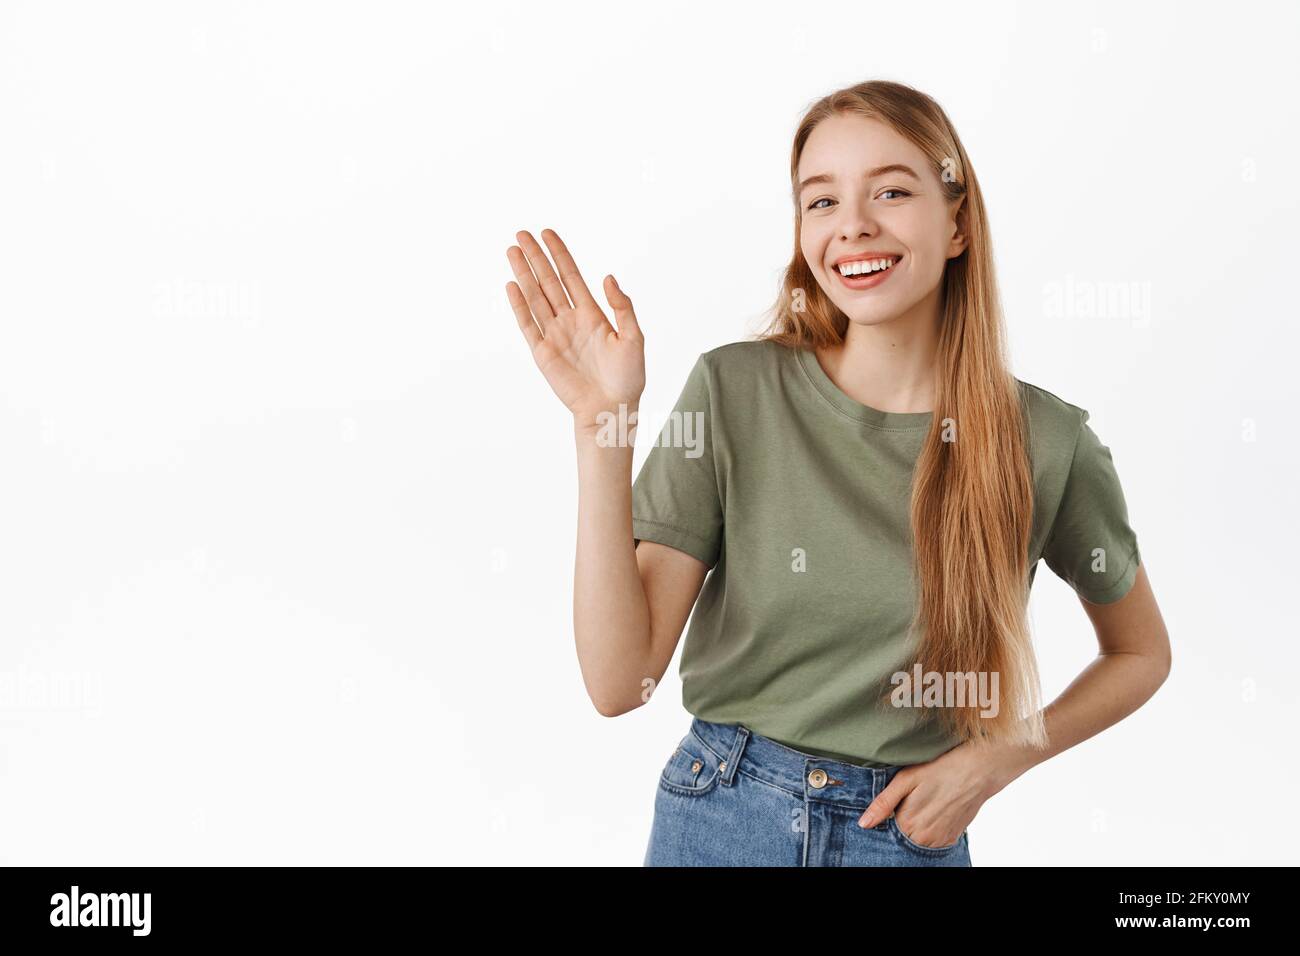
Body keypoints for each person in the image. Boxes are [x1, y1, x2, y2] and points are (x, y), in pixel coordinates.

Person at [504, 79, 1171, 867]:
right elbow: (619, 684)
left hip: (903, 835)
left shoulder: (1046, 442)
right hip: (720, 816)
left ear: (957, 222)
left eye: (890, 190)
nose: (853, 225)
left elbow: (1140, 653)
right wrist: (599, 427)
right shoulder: (734, 392)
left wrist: (996, 761)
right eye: (821, 202)